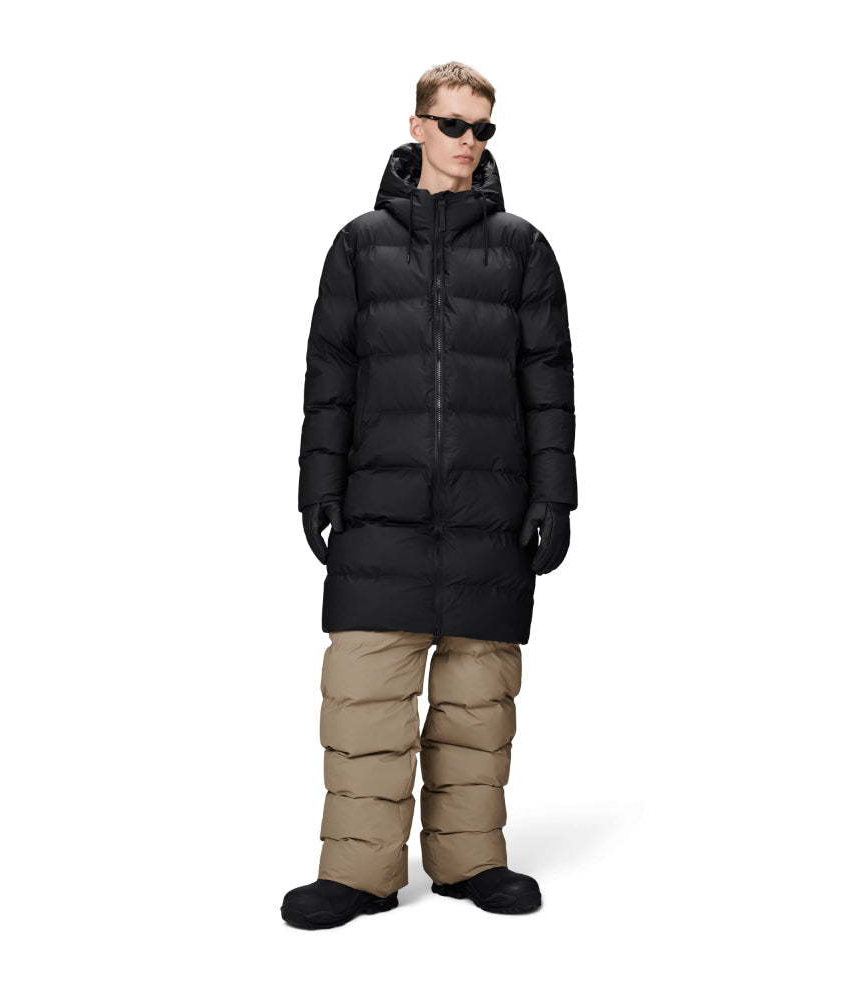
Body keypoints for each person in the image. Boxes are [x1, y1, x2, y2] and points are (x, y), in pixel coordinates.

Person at [282, 61, 577, 930]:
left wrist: (555, 496)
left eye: (483, 129)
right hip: (381, 504)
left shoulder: (522, 248)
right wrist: (317, 483)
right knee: (364, 696)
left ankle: (471, 861)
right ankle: (359, 873)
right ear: (416, 126)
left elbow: (549, 382)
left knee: (477, 705)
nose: (468, 142)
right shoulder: (360, 244)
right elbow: (330, 375)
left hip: (491, 507)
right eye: (453, 125)